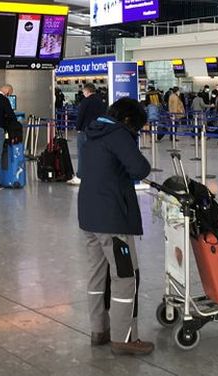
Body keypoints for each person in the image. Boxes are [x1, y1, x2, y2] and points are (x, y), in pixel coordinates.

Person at [78, 97, 153, 356]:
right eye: (137, 128)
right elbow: (140, 168)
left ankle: (99, 330)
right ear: (129, 120)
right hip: (112, 219)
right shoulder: (118, 133)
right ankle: (124, 337)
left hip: (88, 216)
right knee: (125, 277)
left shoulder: (91, 132)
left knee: (97, 274)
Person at [69, 83, 106, 185]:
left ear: (87, 91)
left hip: (85, 130)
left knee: (82, 153)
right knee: (97, 153)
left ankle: (80, 176)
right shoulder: (100, 101)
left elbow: (81, 115)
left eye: (84, 91)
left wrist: (78, 128)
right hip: (98, 131)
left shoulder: (85, 101)